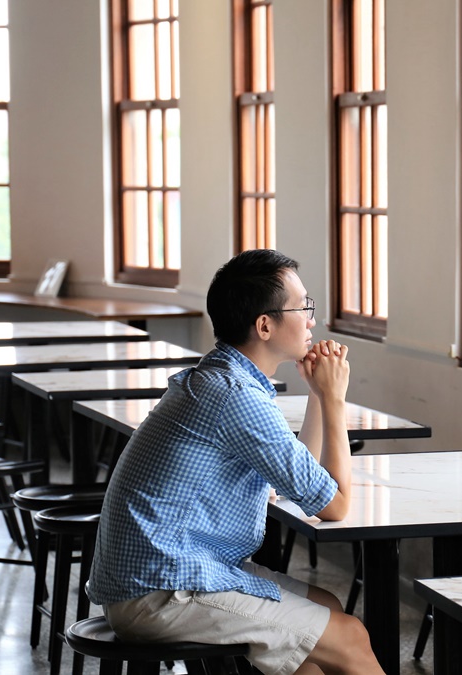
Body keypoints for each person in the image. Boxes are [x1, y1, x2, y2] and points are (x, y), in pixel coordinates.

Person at [86, 249, 384, 675]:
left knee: (325, 607)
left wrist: (319, 394)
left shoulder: (225, 379)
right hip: (161, 592)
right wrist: (336, 400)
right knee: (349, 635)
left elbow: (305, 477)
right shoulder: (234, 396)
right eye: (304, 307)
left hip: (163, 577)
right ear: (265, 325)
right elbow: (334, 504)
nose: (312, 320)